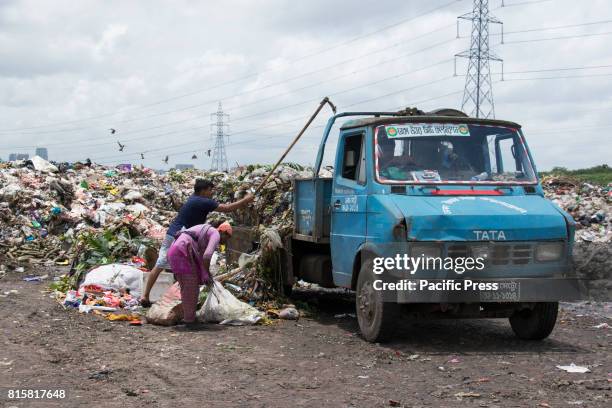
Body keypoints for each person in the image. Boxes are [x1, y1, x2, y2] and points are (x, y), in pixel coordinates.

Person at [140, 179, 253, 306]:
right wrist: (246, 200)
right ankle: (184, 300)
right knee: (185, 268)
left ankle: (146, 295)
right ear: (203, 190)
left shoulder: (193, 199)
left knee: (160, 265)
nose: (212, 193)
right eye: (210, 190)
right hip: (181, 238)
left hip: (171, 233)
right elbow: (226, 208)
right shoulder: (202, 201)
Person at [167, 222, 233, 327]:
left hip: (175, 251)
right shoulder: (215, 234)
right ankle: (189, 321)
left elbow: (202, 257)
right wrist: (206, 273)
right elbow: (206, 256)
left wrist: (204, 273)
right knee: (191, 289)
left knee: (187, 288)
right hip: (182, 251)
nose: (225, 241)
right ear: (222, 232)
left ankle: (189, 317)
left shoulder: (206, 232)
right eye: (227, 237)